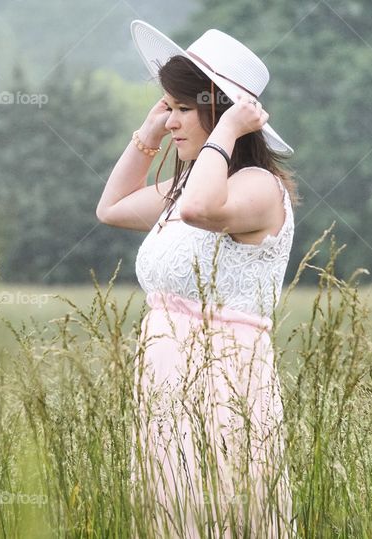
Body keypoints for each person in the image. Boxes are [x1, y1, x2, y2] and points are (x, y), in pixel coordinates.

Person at [96, 20, 300, 538]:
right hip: (166, 385)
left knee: (220, 512)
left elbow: (203, 209)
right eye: (169, 107)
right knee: (170, 513)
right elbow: (112, 207)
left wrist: (229, 131)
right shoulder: (181, 190)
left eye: (184, 108)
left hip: (224, 385)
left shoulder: (257, 186)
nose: (171, 122)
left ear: (221, 110)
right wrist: (145, 136)